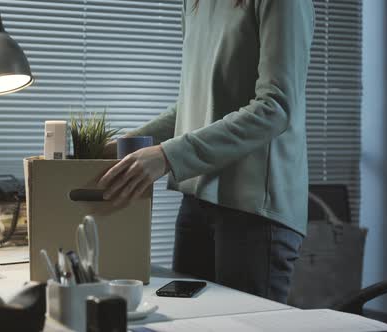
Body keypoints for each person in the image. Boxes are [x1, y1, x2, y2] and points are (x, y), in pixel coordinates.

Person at [98, 0, 314, 304]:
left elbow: (274, 108)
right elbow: (191, 108)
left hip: (253, 210)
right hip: (198, 200)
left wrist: (167, 156)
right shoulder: (195, 3)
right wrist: (128, 144)